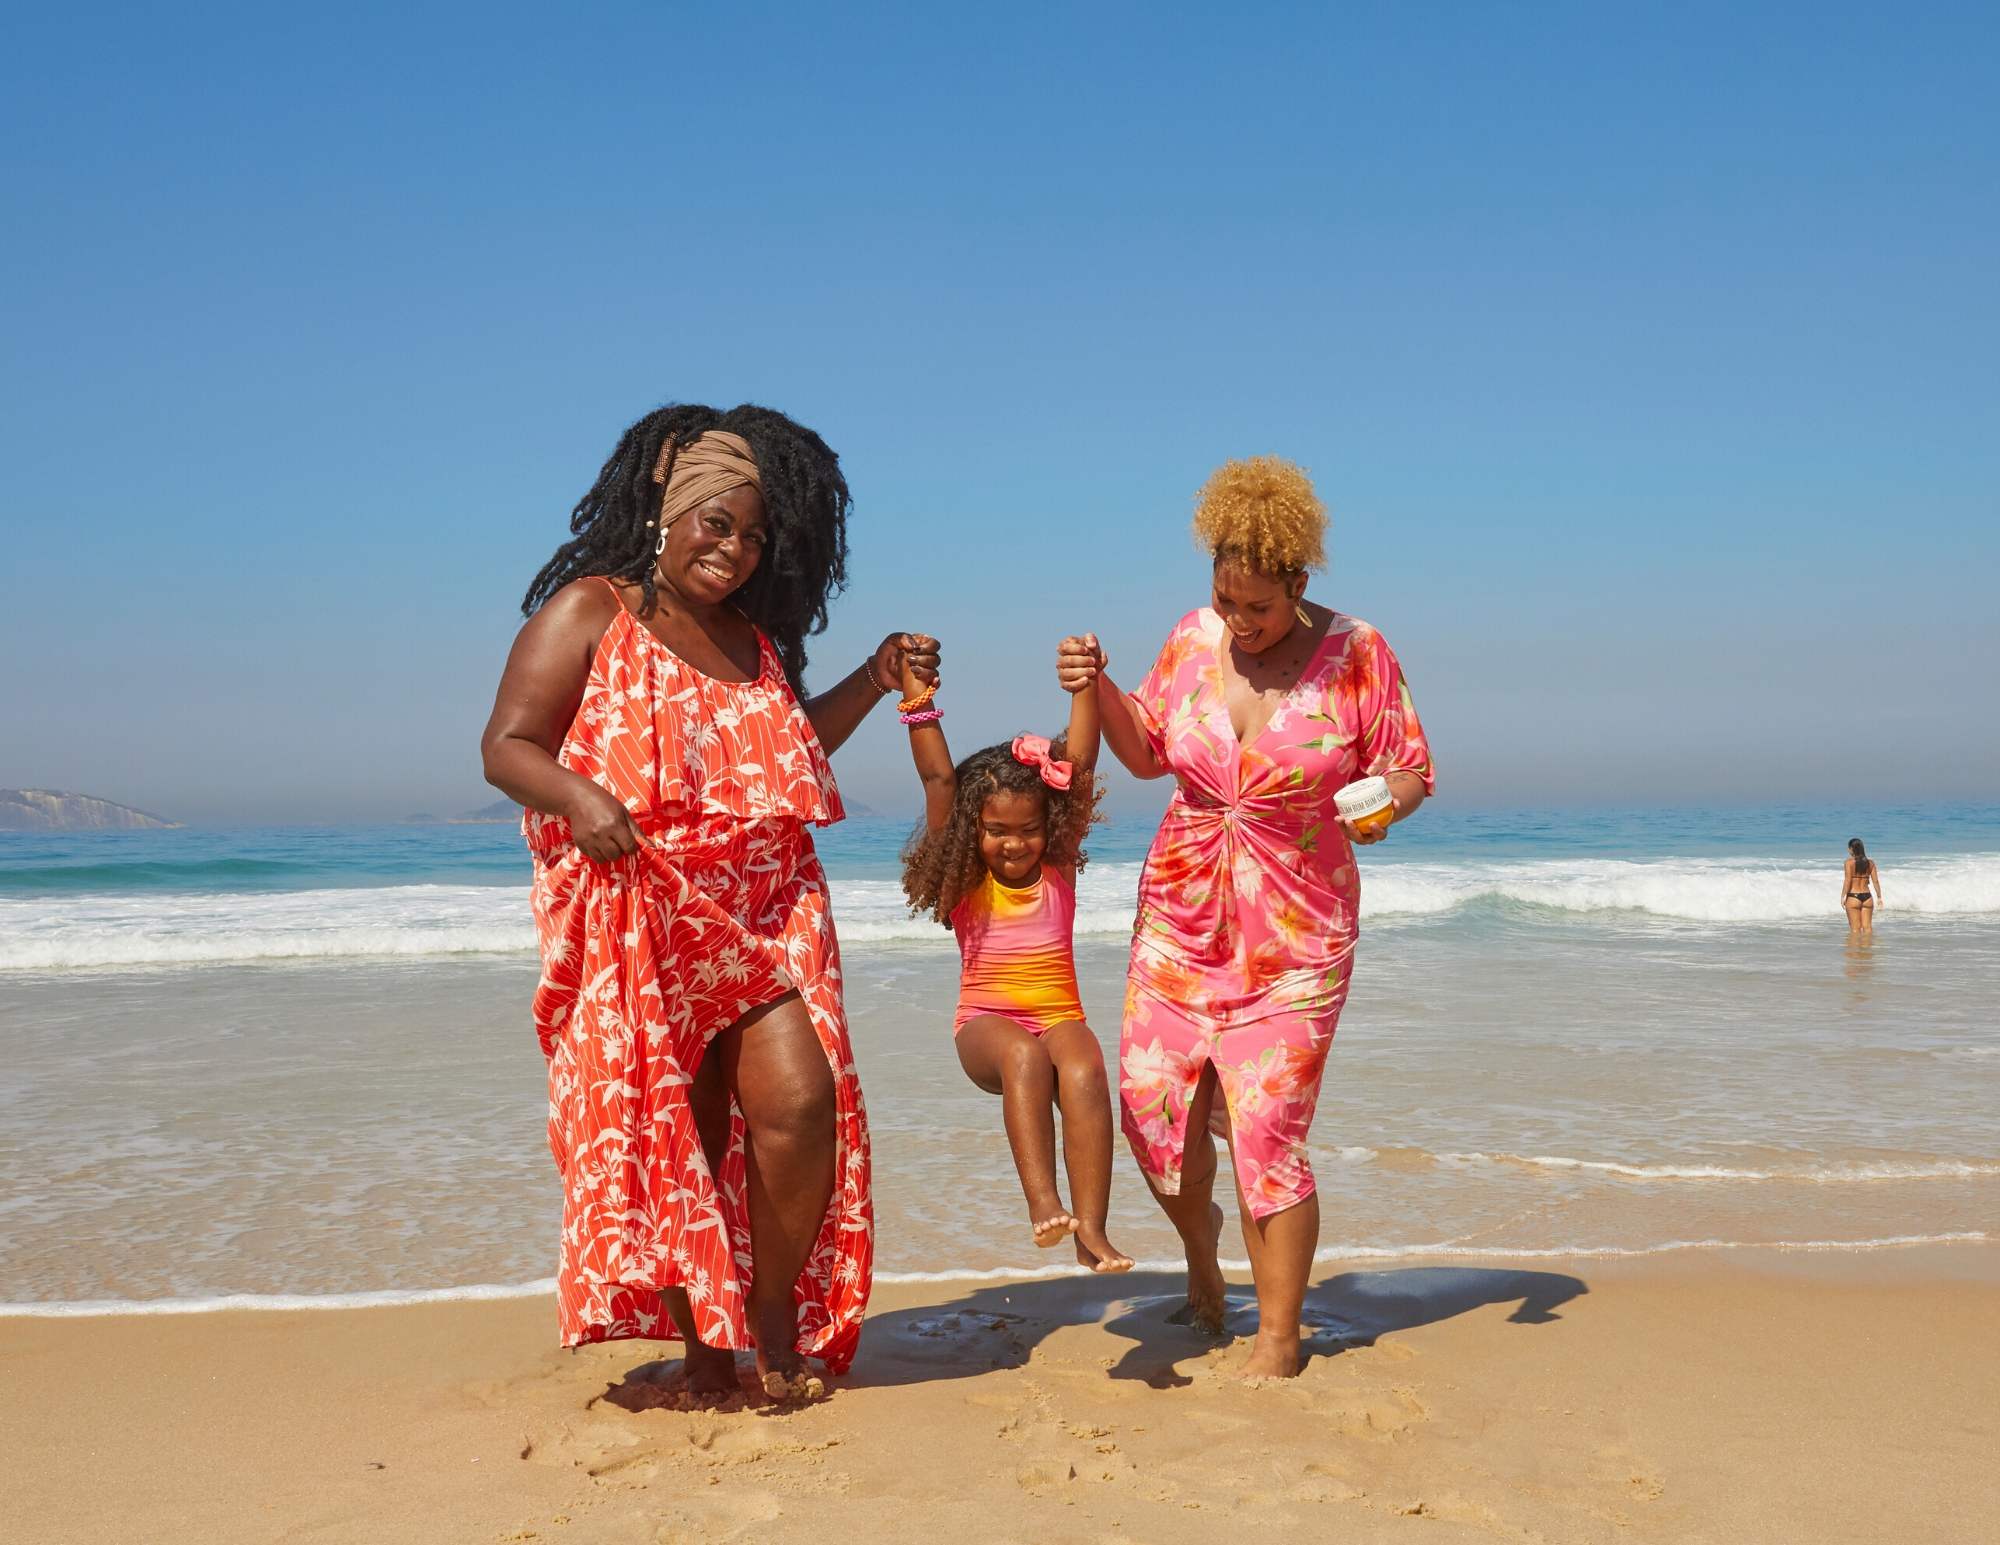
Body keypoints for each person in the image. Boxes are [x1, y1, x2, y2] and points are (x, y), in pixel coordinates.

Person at [480, 402, 939, 1400]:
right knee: (675, 1134)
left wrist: (874, 674)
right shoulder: (591, 612)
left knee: (797, 1108)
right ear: (669, 510)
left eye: (752, 535)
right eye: (716, 525)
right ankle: (705, 1353)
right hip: (645, 906)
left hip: (764, 906)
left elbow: (785, 753)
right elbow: (507, 744)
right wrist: (578, 795)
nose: (732, 551)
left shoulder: (754, 643)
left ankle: (770, 1318)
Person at [1061, 455, 1435, 1380]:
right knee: (1155, 1125)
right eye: (1225, 599)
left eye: (1257, 607)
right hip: (1180, 926)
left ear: (1300, 585)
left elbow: (1414, 767)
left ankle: (1278, 1337)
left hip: (1298, 935)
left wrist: (1385, 799)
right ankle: (1202, 1249)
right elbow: (1147, 750)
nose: (1238, 620)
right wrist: (1096, 685)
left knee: (1267, 1132)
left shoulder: (1360, 653)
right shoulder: (1193, 637)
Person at [896, 649, 1134, 1273]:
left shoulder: (1056, 866)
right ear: (973, 832)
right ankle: (1043, 1204)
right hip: (985, 1025)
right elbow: (939, 782)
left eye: (1027, 830)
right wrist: (917, 702)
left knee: (1083, 1069)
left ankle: (1093, 1232)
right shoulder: (965, 881)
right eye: (997, 830)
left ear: (1047, 826)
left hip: (1060, 1014)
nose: (1013, 843)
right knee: (1024, 1057)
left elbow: (1078, 766)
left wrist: (1085, 685)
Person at [1843, 837, 1883, 934]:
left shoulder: (1848, 863)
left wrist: (1843, 896)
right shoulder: (1870, 863)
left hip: (1853, 896)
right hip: (1867, 897)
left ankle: (1855, 949)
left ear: (1852, 849)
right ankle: (1867, 949)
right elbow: (1875, 881)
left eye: (1849, 848)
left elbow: (1847, 880)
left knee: (1855, 929)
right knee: (1868, 928)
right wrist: (1879, 897)